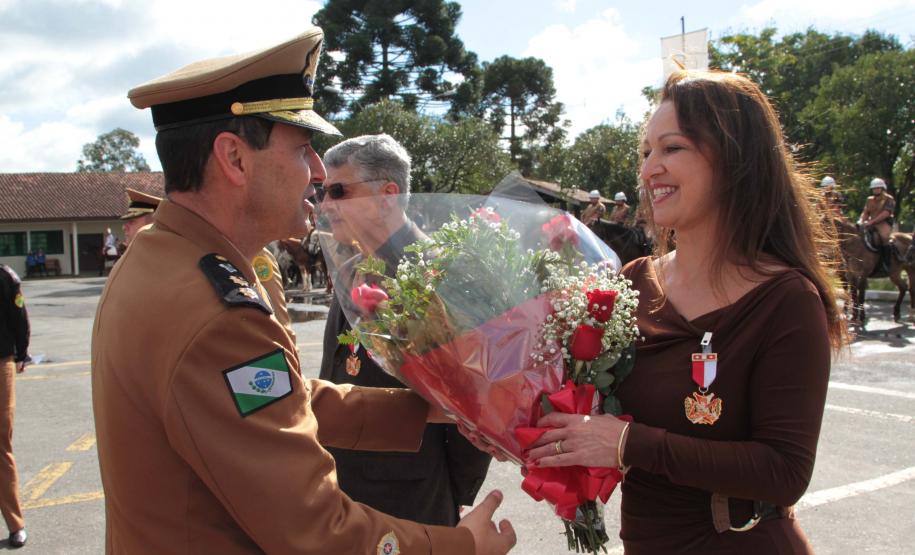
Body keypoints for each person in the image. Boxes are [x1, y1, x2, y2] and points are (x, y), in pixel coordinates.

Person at [92, 27, 514, 555]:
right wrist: (459, 546)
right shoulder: (219, 316)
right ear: (235, 159)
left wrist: (429, 409)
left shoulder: (158, 255)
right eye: (303, 150)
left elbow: (274, 394)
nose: (316, 173)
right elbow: (317, 532)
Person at [527, 70, 845, 554]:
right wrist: (516, 426)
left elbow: (784, 472)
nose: (650, 168)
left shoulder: (785, 299)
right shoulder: (632, 282)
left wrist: (627, 444)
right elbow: (584, 403)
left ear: (735, 159)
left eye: (672, 148)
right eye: (646, 152)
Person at [318, 134, 493, 526]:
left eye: (339, 191)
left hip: (413, 497)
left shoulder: (438, 271)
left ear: (387, 195)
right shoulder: (347, 266)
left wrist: (453, 493)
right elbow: (334, 371)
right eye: (323, 192)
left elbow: (474, 397)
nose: (326, 205)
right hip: (342, 488)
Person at [0, 264, 29, 548]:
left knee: (1, 443)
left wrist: (23, 351)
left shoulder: (5, 277)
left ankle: (15, 523)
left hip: (1, 363)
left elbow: (18, 315)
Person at [858, 177, 895, 246]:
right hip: (871, 222)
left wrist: (871, 222)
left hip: (884, 223)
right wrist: (861, 221)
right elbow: (866, 212)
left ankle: (886, 256)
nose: (876, 190)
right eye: (874, 188)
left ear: (882, 188)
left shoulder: (889, 199)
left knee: (885, 238)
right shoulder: (869, 199)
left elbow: (885, 214)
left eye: (878, 188)